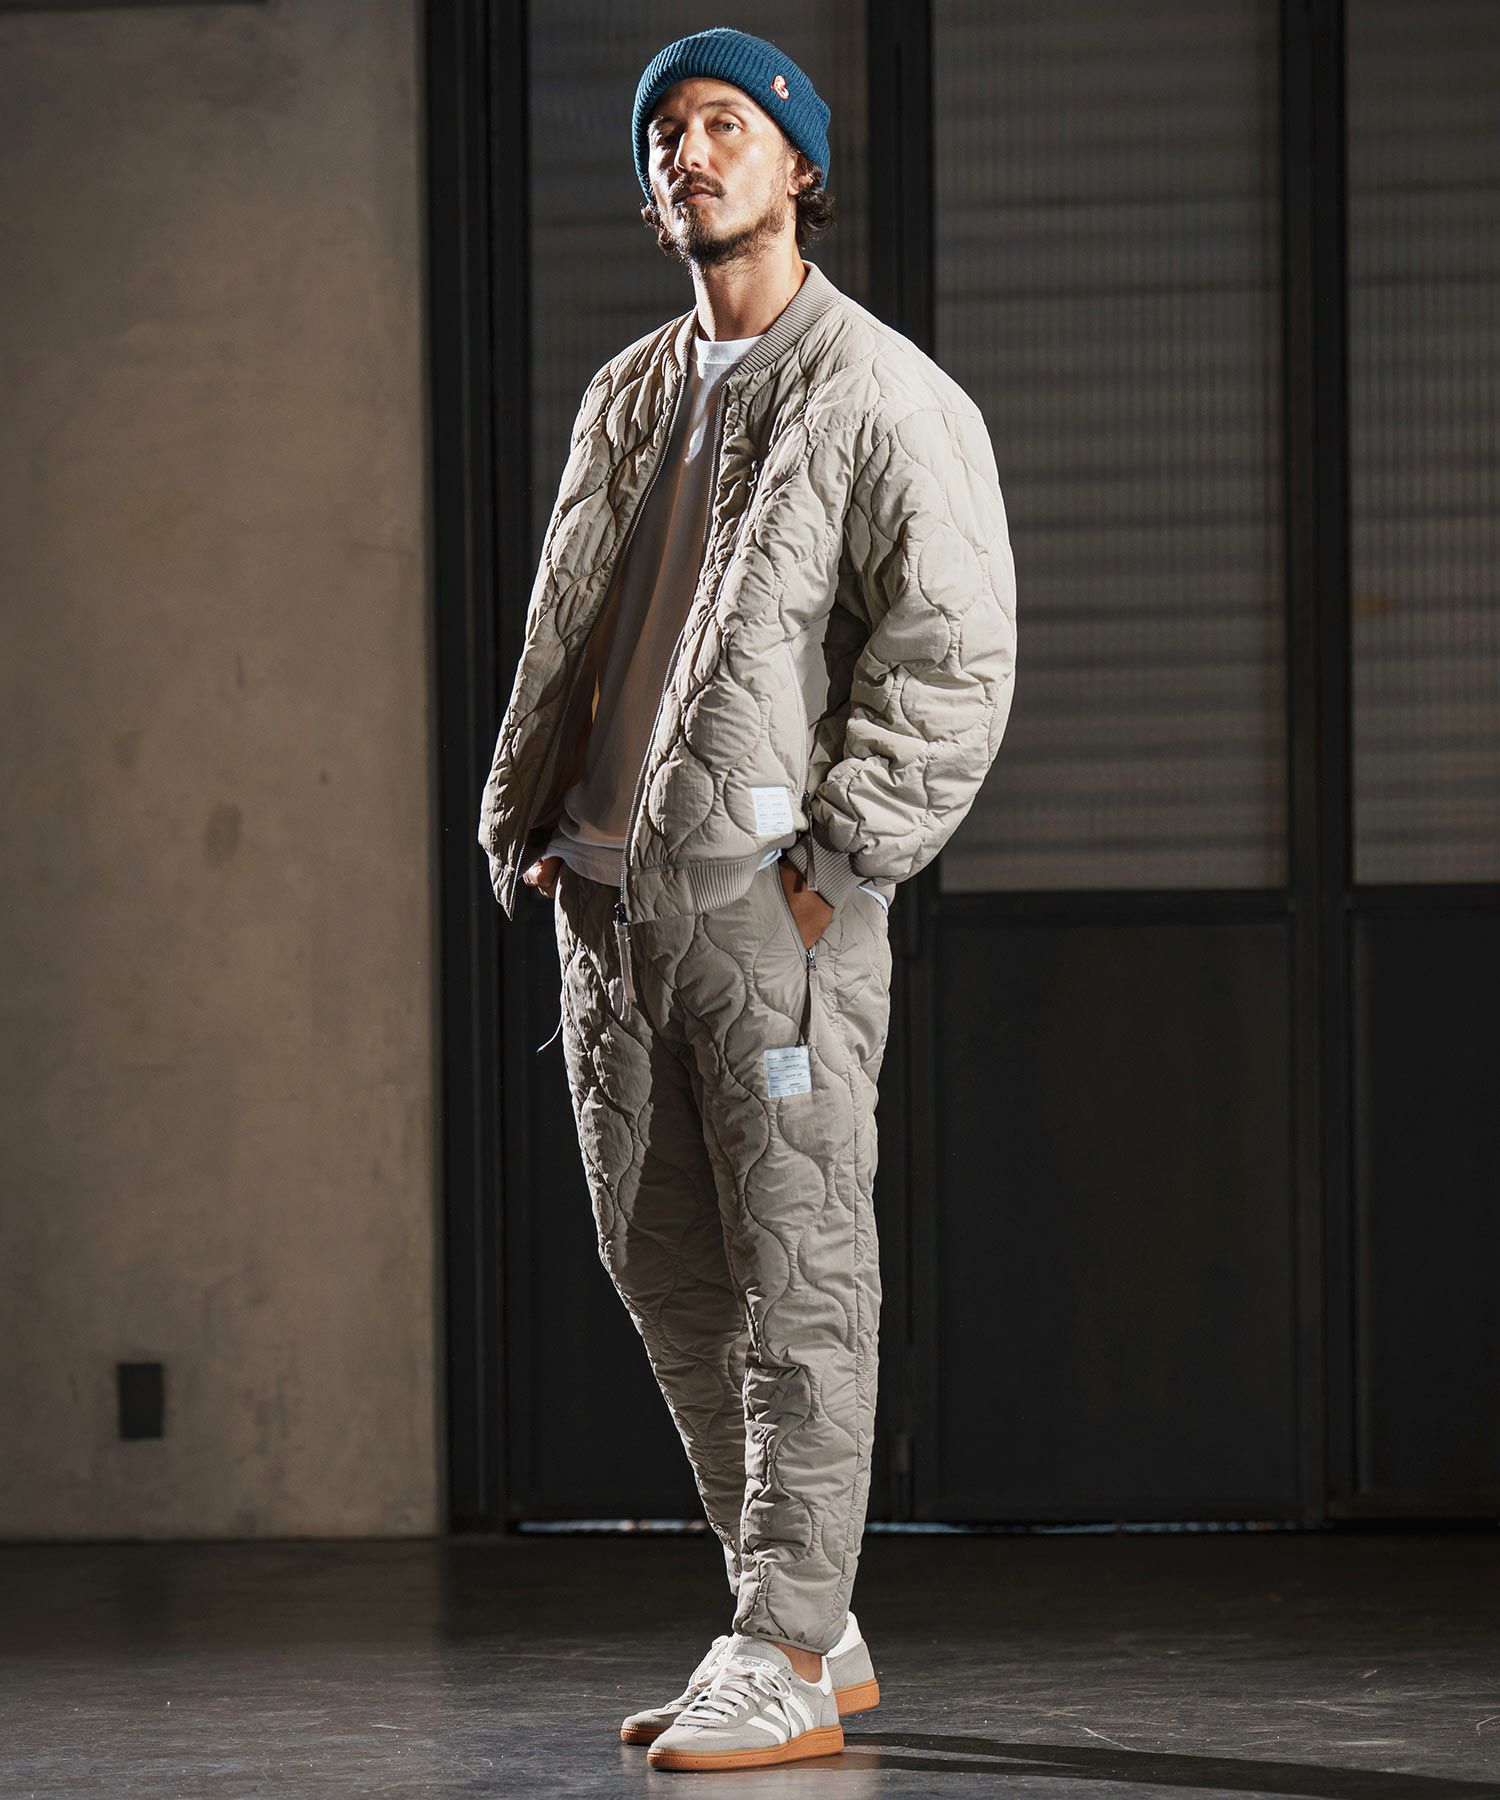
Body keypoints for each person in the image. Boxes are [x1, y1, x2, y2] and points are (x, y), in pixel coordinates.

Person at [477, 26, 1017, 1773]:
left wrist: (834, 863)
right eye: (667, 134)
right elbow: (577, 631)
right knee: (671, 1276)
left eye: (727, 124)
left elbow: (952, 662)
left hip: (772, 922)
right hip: (609, 916)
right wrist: (542, 824)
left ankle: (779, 1640)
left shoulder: (885, 395)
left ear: (799, 166)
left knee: (799, 1278)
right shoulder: (630, 393)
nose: (691, 154)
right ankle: (810, 1624)